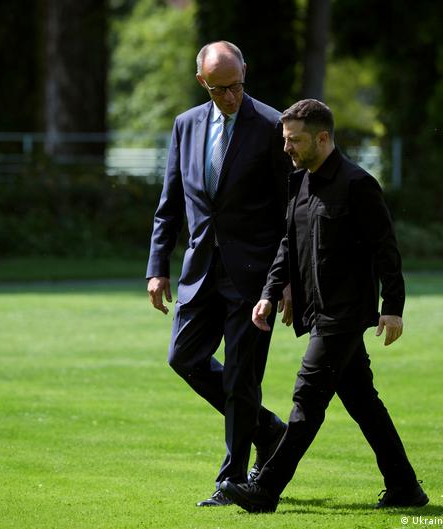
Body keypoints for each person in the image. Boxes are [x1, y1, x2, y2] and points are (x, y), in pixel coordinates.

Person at [220, 99, 428, 513]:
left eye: (294, 140)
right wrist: (269, 293)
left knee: (307, 399)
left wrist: (392, 306)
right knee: (362, 401)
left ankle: (265, 490)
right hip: (317, 312)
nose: (287, 148)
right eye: (285, 139)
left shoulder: (358, 184)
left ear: (323, 138)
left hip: (344, 314)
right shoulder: (300, 182)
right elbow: (288, 245)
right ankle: (404, 486)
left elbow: (386, 249)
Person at [146, 41, 293, 507]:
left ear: (245, 72)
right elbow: (170, 203)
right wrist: (157, 267)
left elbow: (290, 213)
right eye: (219, 89)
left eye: (237, 86)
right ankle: (268, 430)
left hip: (255, 279)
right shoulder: (185, 125)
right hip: (199, 272)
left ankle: (231, 482)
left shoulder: (272, 126)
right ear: (201, 82)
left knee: (241, 380)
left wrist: (285, 279)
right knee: (183, 357)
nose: (230, 97)